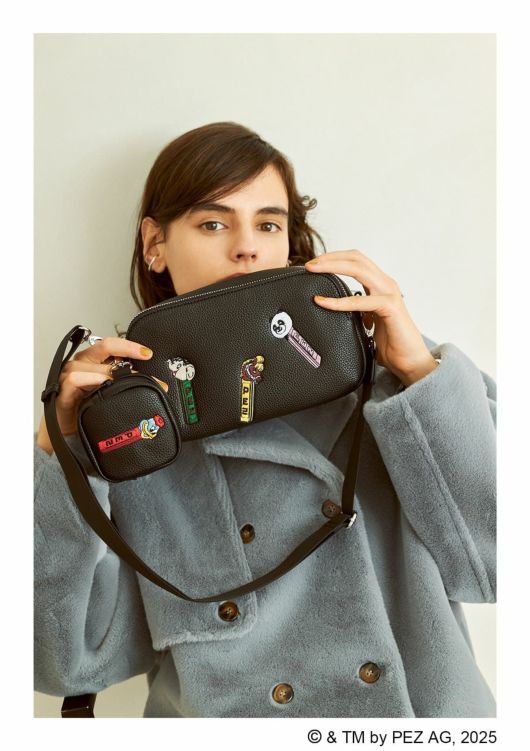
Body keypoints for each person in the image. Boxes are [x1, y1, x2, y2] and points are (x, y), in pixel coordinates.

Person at [34, 121, 496, 718]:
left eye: (269, 224)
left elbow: (500, 564)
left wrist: (419, 372)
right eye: (213, 223)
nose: (246, 247)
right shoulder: (127, 431)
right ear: (155, 244)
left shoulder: (388, 379)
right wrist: (61, 456)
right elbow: (63, 662)